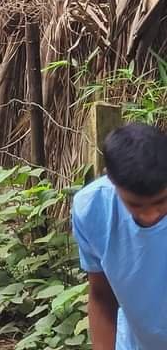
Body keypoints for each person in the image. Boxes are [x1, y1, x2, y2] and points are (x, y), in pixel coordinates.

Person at [72, 123, 167, 349]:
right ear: (111, 180)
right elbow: (101, 296)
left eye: (161, 201)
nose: (151, 214)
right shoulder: (93, 209)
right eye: (136, 204)